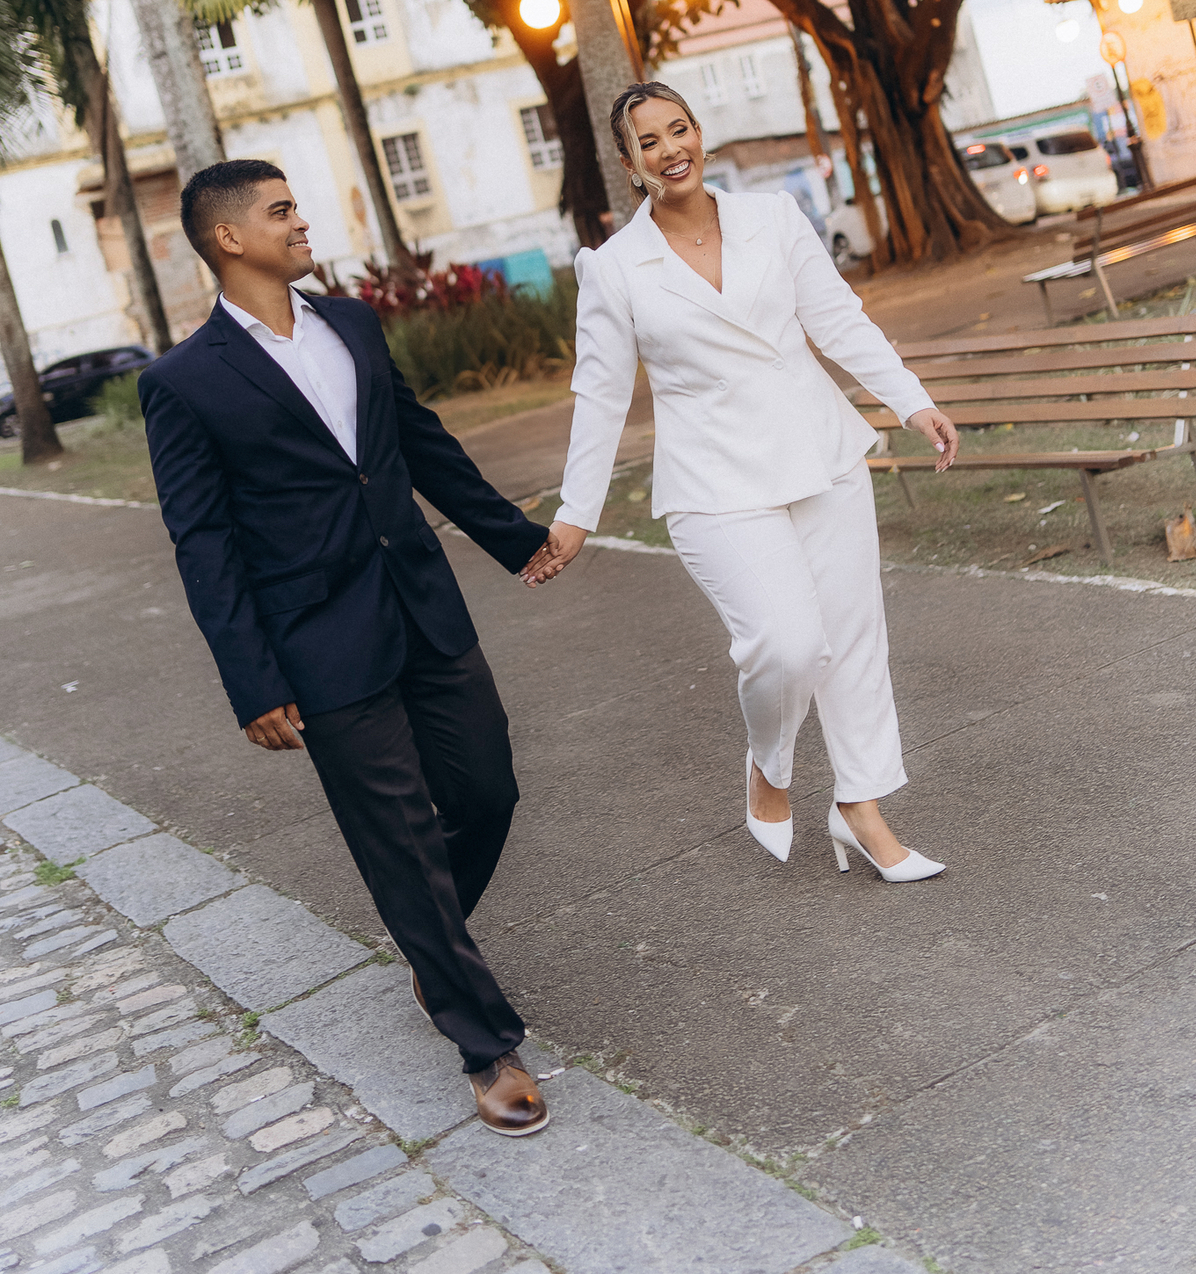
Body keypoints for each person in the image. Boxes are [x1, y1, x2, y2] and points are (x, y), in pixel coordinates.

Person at [139, 160, 568, 1135]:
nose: (302, 222)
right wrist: (252, 680)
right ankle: (483, 1041)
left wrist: (512, 538)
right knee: (400, 839)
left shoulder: (353, 326)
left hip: (422, 602)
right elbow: (203, 545)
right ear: (229, 240)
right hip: (316, 639)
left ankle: (429, 942)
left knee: (485, 789)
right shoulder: (183, 384)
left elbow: (418, 444)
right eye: (280, 210)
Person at [534, 84, 958, 880]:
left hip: (821, 452)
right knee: (789, 646)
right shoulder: (616, 269)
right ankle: (770, 766)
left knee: (855, 641)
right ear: (630, 165)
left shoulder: (773, 216)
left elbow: (834, 316)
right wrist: (575, 515)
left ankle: (860, 807)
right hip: (715, 482)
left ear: (701, 133)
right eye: (649, 141)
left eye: (680, 128)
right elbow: (600, 394)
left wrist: (911, 400)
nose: (671, 149)